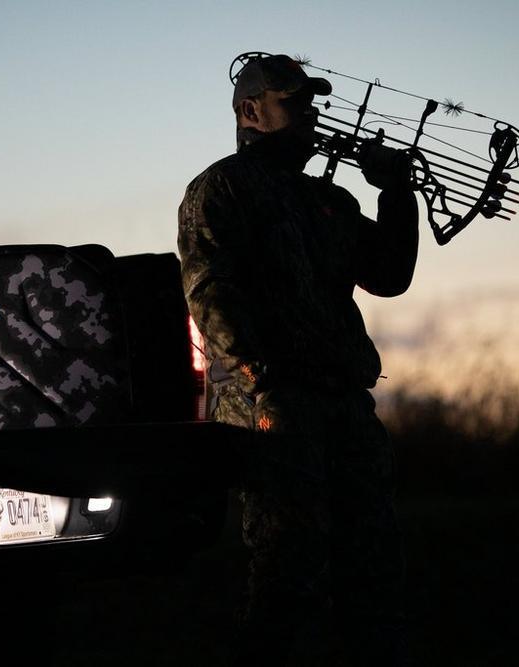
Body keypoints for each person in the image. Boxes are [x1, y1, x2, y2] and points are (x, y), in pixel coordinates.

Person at [177, 53, 418, 665]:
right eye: (294, 103)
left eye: (312, 104)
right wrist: (261, 378)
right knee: (289, 568)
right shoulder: (222, 186)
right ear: (250, 112)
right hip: (276, 405)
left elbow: (389, 275)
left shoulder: (326, 199)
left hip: (341, 401)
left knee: (373, 564)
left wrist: (396, 192)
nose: (310, 117)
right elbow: (209, 290)